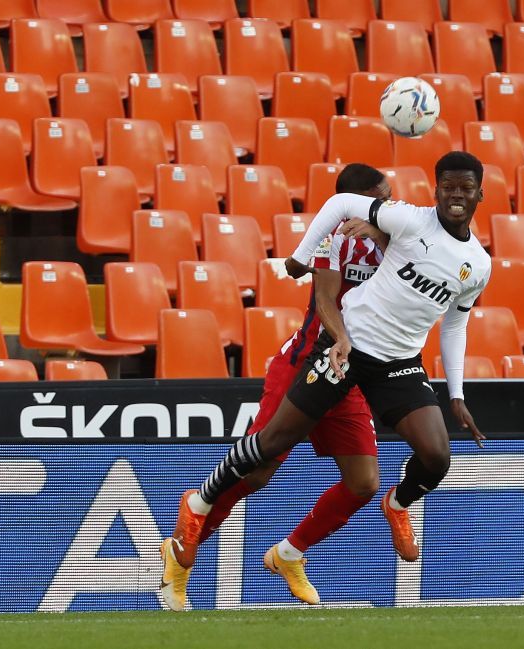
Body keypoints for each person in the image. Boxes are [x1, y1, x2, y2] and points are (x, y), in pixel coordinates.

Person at [166, 150, 490, 608]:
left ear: (480, 193)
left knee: (404, 468)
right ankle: (194, 520)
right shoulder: (348, 237)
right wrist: (301, 260)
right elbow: (325, 298)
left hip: (391, 364)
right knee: (264, 460)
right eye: (376, 202)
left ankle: (306, 546)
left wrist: (455, 393)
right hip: (329, 353)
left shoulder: (446, 251)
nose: (380, 207)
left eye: (385, 201)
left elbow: (455, 321)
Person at [161, 164, 393, 610]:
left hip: (351, 376)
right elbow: (323, 297)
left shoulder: (397, 242)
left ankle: (290, 554)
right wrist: (341, 337)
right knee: (257, 472)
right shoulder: (333, 239)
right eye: (381, 197)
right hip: (306, 365)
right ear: (359, 201)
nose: (390, 204)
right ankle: (180, 557)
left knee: (364, 483)